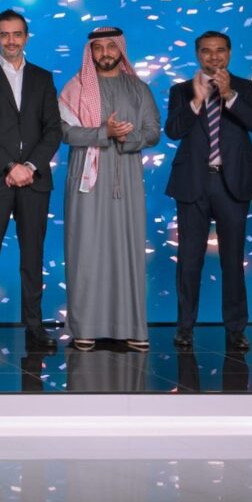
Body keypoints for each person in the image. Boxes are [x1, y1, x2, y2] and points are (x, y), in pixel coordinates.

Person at [0, 9, 61, 350]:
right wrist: (9, 167)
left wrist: (29, 166)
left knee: (33, 257)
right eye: (4, 34)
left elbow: (53, 130)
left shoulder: (43, 78)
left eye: (17, 34)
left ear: (26, 37)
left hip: (35, 180)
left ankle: (34, 326)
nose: (11, 40)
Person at [59, 26, 161, 351]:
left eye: (111, 46)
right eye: (98, 47)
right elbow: (64, 132)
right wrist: (104, 132)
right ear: (90, 52)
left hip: (126, 178)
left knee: (127, 249)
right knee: (86, 249)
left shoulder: (138, 88)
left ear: (121, 49)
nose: (105, 53)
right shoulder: (75, 88)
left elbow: (153, 131)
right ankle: (86, 327)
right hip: (86, 180)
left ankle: (131, 328)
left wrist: (127, 138)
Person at [164, 30, 252, 352]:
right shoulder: (181, 90)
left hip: (232, 183)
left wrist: (230, 95)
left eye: (220, 50)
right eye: (206, 51)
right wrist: (196, 101)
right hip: (192, 183)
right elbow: (173, 131)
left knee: (233, 260)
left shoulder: (248, 88)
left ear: (229, 53)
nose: (214, 56)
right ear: (198, 54)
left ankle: (236, 329)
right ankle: (184, 328)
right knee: (189, 260)